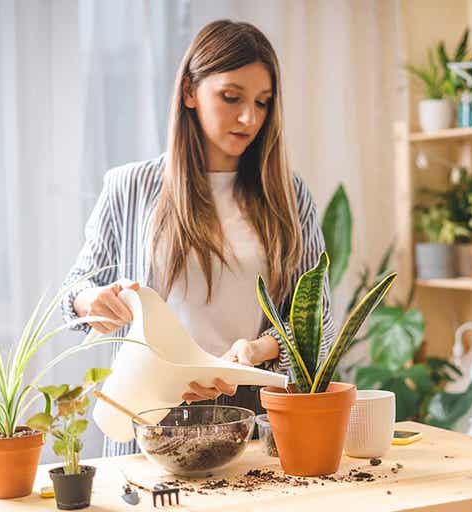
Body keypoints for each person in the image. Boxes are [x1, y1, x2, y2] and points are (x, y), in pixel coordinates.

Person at [61, 19, 334, 456]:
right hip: (150, 417)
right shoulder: (130, 187)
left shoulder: (288, 194)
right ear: (189, 91)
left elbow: (318, 320)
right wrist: (90, 302)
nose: (249, 118)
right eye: (232, 98)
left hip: (249, 419)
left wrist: (259, 348)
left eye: (263, 103)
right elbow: (73, 290)